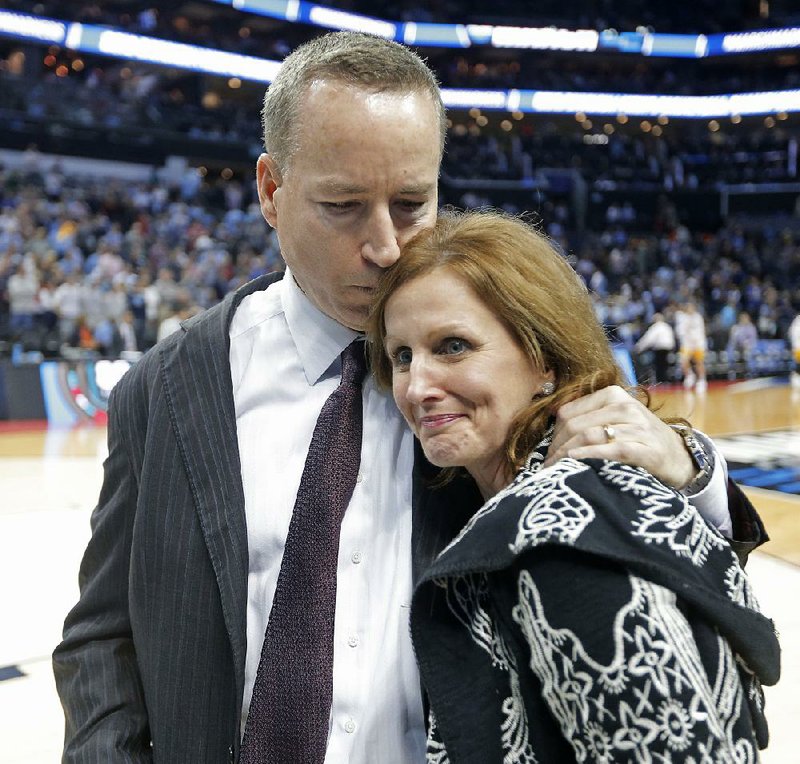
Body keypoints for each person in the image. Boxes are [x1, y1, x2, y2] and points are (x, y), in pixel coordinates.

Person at [53, 32, 766, 762]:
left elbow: (666, 581)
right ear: (271, 191)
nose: (386, 244)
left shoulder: (487, 362)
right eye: (343, 205)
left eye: (410, 202)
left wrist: (692, 475)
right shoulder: (165, 388)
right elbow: (103, 636)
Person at [368, 209, 779, 761]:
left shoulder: (555, 537)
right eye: (402, 356)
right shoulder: (564, 491)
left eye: (453, 346)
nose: (417, 387)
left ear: (543, 358)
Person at [675, 300, 708, 392]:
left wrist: (701, 344)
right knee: (683, 360)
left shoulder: (698, 318)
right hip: (687, 343)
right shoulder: (683, 318)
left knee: (699, 362)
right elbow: (679, 332)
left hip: (698, 343)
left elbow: (701, 332)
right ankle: (689, 375)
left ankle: (702, 380)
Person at [633, 311, 675, 383]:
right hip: (668, 349)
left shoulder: (656, 327)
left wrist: (638, 347)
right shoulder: (667, 326)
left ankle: (661, 382)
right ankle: (666, 381)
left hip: (660, 349)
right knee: (665, 366)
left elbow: (648, 339)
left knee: (659, 366)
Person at [727, 311, 759, 378]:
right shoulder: (736, 327)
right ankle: (731, 371)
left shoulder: (751, 327)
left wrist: (746, 344)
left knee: (750, 353)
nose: (743, 319)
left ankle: (751, 372)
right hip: (738, 347)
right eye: (742, 318)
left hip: (749, 347)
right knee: (730, 349)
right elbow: (733, 340)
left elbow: (753, 340)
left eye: (745, 318)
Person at [789, 310, 800, 389]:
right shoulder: (797, 321)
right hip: (798, 347)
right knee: (798, 364)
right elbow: (793, 335)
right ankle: (795, 378)